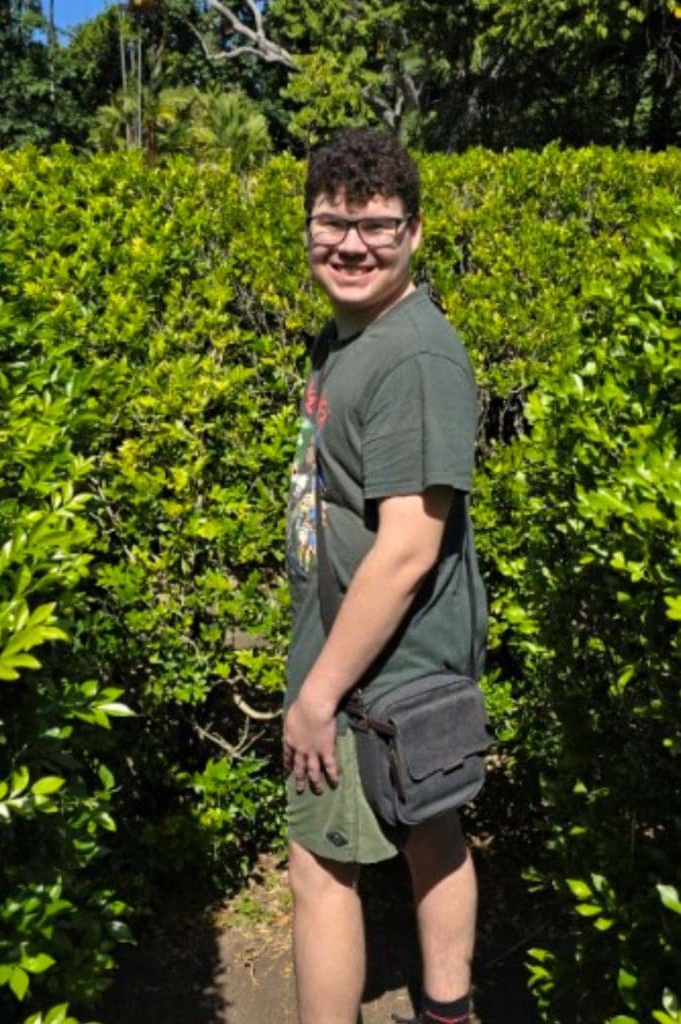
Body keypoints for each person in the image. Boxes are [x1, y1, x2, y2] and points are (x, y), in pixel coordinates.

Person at [283, 127, 487, 1024]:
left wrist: (319, 695)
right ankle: (448, 1012)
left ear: (414, 234)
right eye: (334, 222)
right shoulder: (351, 337)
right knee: (430, 826)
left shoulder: (411, 356)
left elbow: (407, 547)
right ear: (308, 227)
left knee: (319, 871)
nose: (353, 244)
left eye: (378, 226)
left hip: (372, 677)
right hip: (375, 665)